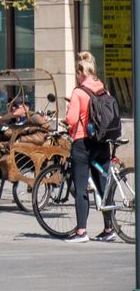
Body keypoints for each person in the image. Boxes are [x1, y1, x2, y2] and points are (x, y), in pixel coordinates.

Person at [63, 52, 116, 243]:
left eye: (77, 73)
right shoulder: (104, 90)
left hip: (83, 143)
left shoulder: (78, 92)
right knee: (104, 187)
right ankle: (109, 228)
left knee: (81, 188)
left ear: (80, 72)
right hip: (102, 143)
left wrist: (68, 113)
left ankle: (81, 232)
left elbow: (71, 119)